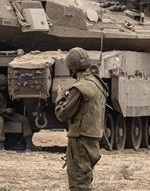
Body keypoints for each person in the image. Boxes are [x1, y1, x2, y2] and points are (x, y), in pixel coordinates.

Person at [54, 47, 108, 191]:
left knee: (79, 183)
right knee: (85, 178)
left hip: (80, 140)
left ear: (71, 68)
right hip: (92, 138)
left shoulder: (79, 88)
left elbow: (62, 114)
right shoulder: (96, 82)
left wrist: (60, 97)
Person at [0, 74, 34, 152]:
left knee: (24, 120)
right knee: (0, 121)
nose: (4, 87)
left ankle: (29, 145)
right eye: (2, 85)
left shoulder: (2, 92)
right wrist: (5, 110)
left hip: (5, 113)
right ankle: (1, 147)